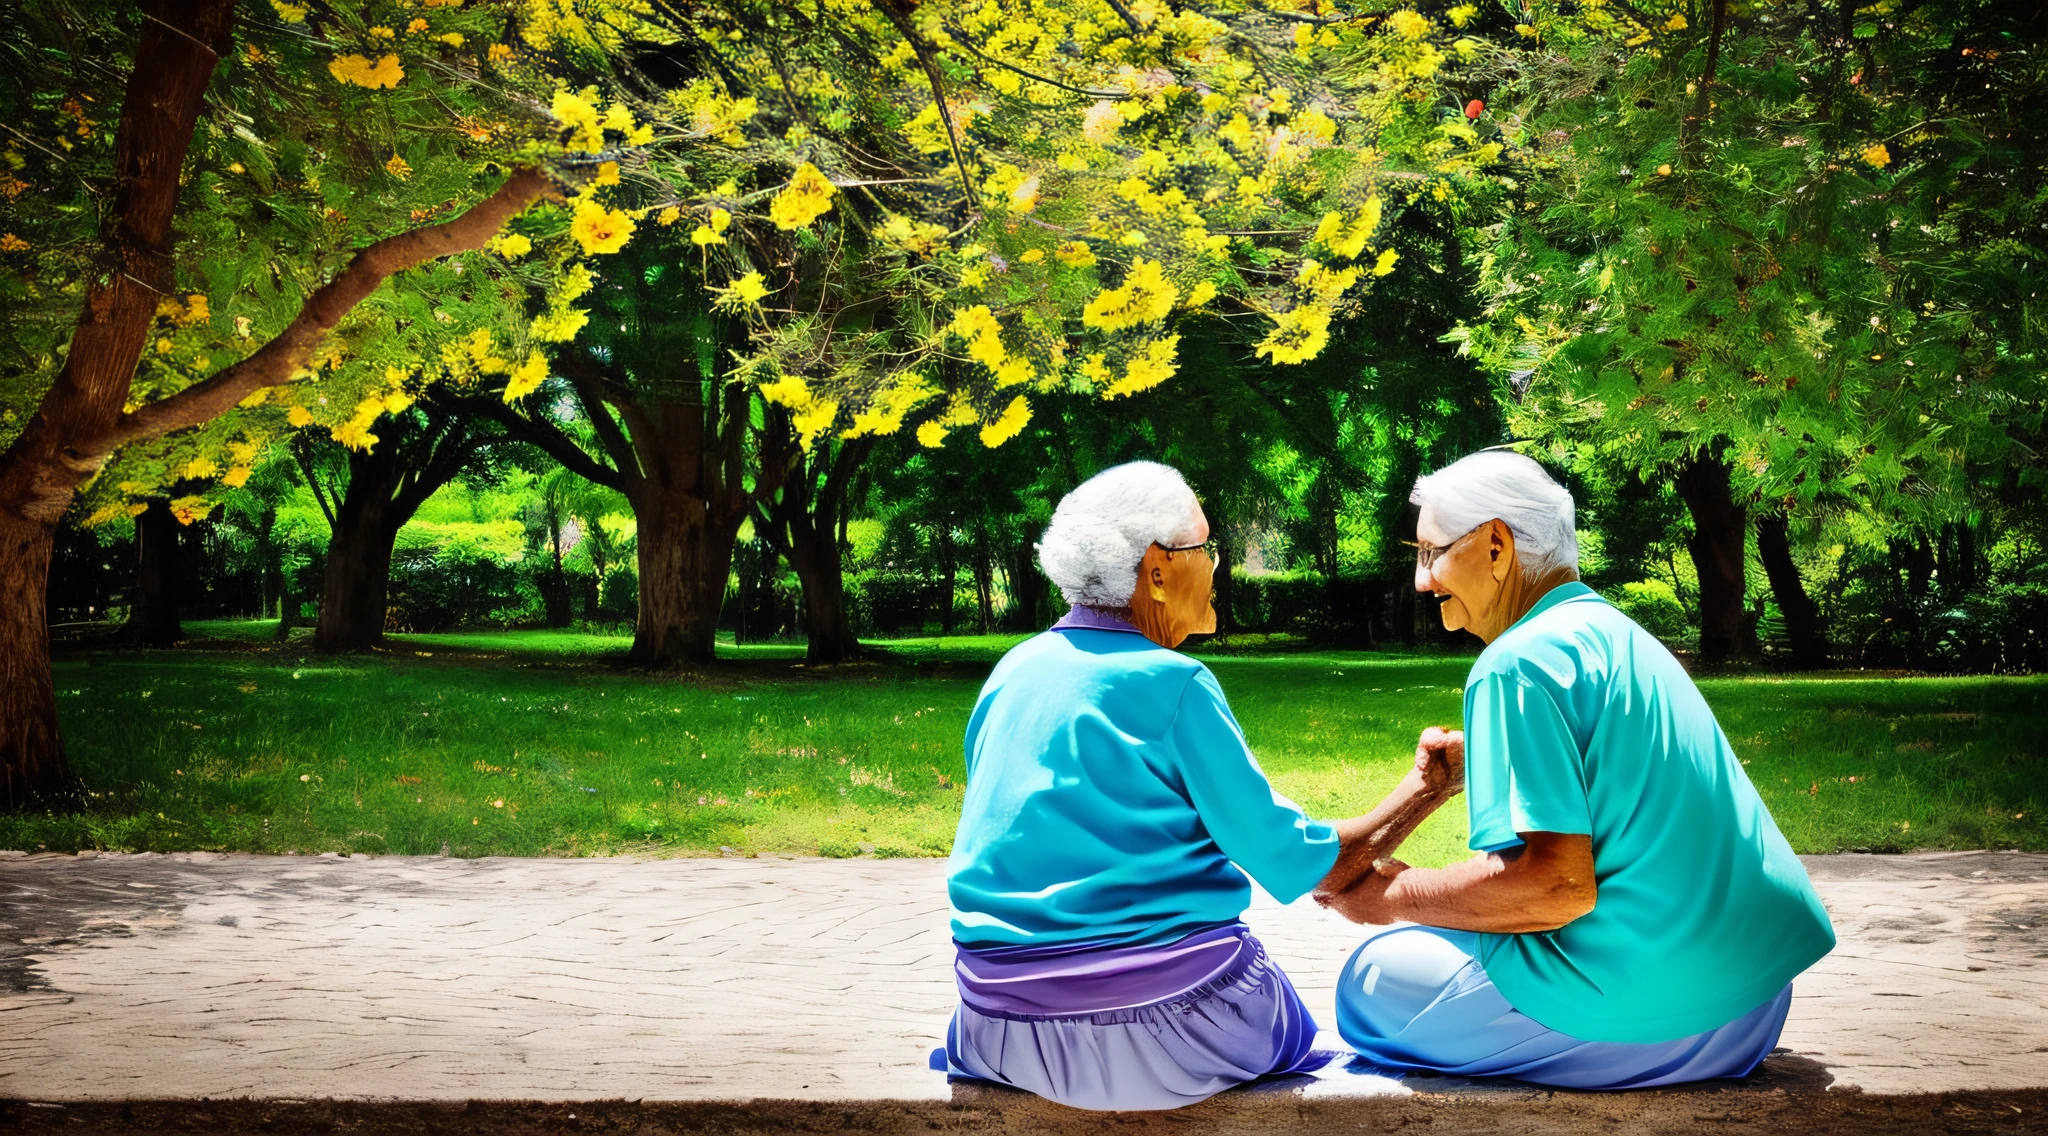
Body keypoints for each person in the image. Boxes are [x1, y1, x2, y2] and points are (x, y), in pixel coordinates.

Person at [933, 461, 1461, 1111]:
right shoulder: (1171, 682)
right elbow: (1303, 866)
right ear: (1156, 570)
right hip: (1157, 1035)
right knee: (1315, 1012)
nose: (1214, 564)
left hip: (995, 1032)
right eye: (1204, 548)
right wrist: (1427, 786)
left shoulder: (1013, 672)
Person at [1316, 449, 1837, 1089]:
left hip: (1654, 1024)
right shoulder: (1618, 634)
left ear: (1497, 546)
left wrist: (1392, 896)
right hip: (1753, 1008)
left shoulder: (1515, 663)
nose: (1424, 580)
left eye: (1431, 553)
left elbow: (1554, 889)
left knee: (1368, 983)